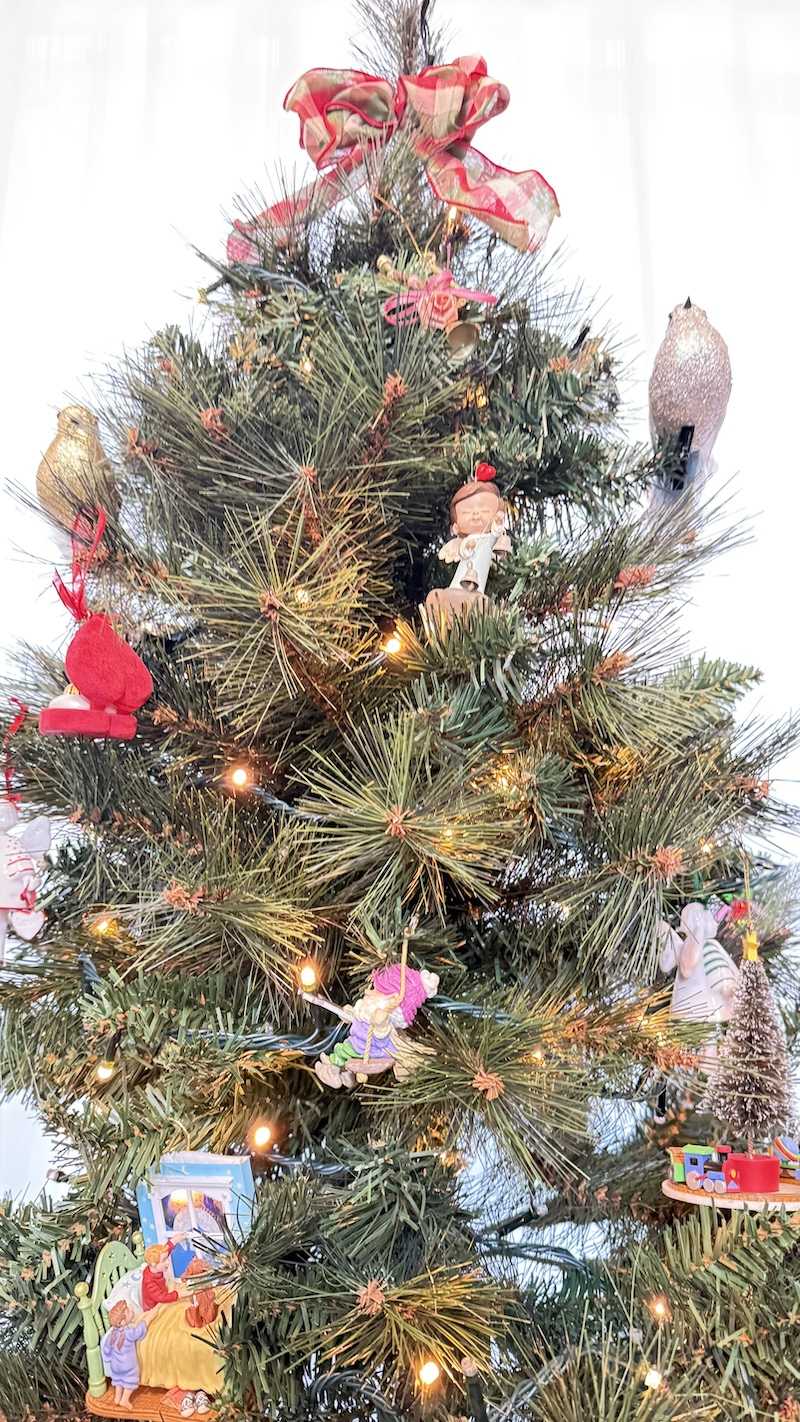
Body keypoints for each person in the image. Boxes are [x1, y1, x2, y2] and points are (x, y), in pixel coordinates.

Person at [100, 1300, 148, 1409]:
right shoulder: (128, 1332)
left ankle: (117, 1398)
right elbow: (138, 1332)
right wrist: (144, 1323)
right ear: (122, 1322)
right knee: (130, 1380)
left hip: (115, 1365)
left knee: (118, 1380)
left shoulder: (112, 1334)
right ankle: (125, 1399)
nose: (132, 1311)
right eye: (129, 1311)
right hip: (128, 1366)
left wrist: (108, 1358)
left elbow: (107, 1349)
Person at [141, 1234, 188, 1309]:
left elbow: (166, 1250)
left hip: (164, 1293)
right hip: (156, 1308)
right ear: (153, 1264)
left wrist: (175, 1240)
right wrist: (178, 1295)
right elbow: (161, 1297)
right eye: (164, 1260)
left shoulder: (155, 1266)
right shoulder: (149, 1282)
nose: (167, 1262)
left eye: (166, 1259)